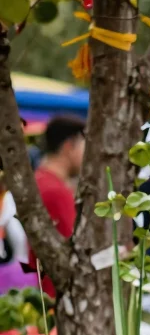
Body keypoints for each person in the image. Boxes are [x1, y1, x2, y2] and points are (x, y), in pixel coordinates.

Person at [29, 115, 85, 279]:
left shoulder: (39, 180)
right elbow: (75, 245)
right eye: (84, 147)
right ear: (68, 147)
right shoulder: (56, 191)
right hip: (57, 286)